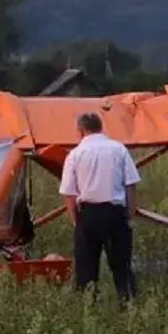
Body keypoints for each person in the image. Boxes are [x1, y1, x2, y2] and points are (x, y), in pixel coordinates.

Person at [59, 112, 140, 301]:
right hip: (115, 214)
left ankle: (89, 305)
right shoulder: (118, 149)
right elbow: (131, 184)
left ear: (81, 131)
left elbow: (69, 194)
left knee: (86, 267)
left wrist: (76, 222)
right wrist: (129, 214)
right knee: (121, 264)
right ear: (100, 127)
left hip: (88, 215)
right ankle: (127, 304)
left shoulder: (75, 154)